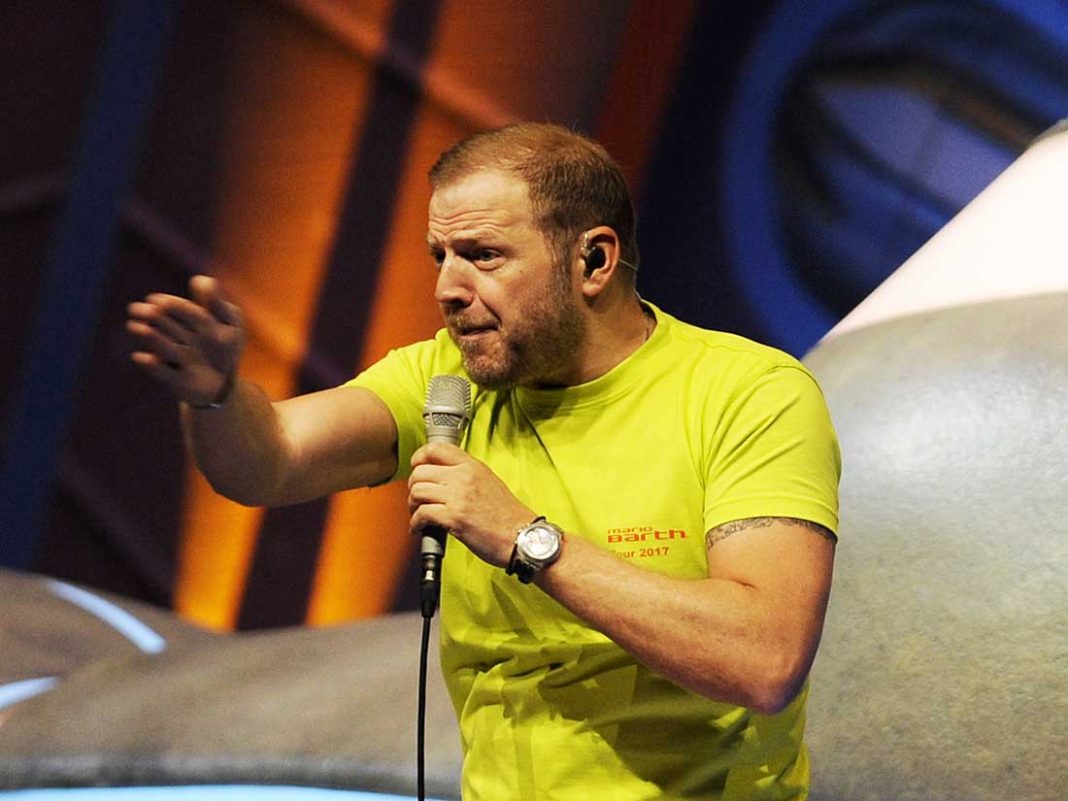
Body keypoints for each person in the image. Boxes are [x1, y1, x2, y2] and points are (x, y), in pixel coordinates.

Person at [127, 123, 840, 800]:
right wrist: (216, 396)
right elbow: (272, 460)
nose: (446, 288)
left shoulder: (748, 394)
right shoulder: (445, 382)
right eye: (440, 256)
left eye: (483, 255)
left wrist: (528, 540)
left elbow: (764, 658)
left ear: (593, 260)